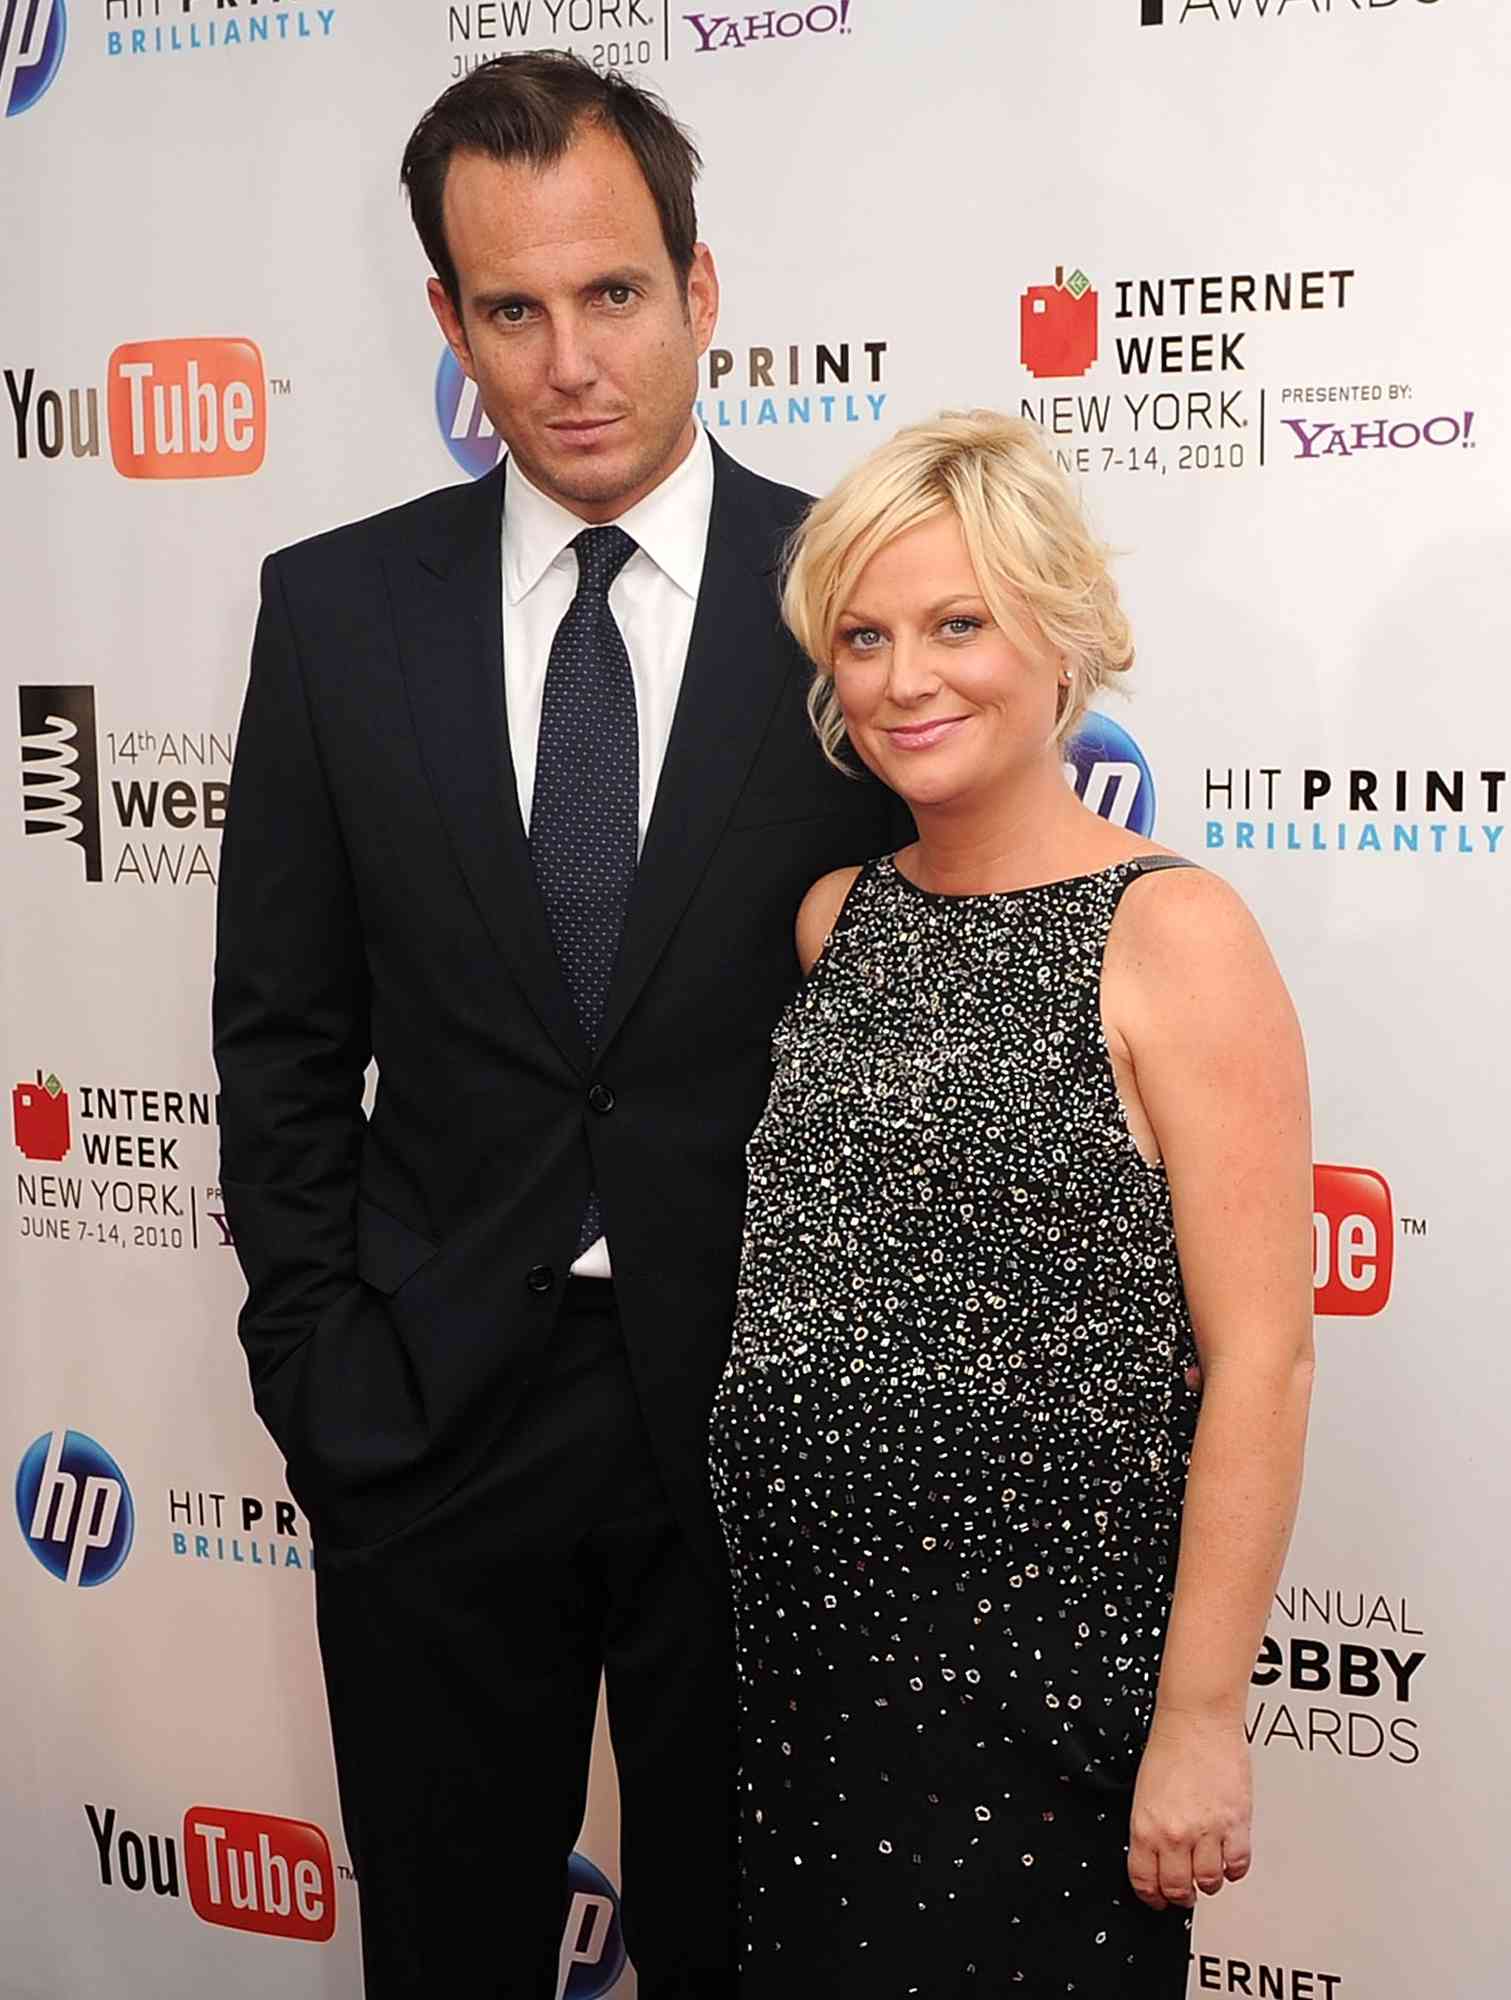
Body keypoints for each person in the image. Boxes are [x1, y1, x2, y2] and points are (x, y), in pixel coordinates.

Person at [212, 53, 904, 2000]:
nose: (570, 359)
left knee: (760, 1960)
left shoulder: (850, 607)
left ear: (703, 286)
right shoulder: (337, 616)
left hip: (764, 1427)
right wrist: (316, 1372)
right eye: (511, 308)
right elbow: (281, 1032)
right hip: (432, 1417)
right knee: (444, 1959)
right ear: (447, 319)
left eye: (613, 294)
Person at [709, 411, 1315, 1996]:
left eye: (958, 623)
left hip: (1049, 1704)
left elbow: (1263, 1359)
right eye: (865, 636)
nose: (907, 678)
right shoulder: (837, 918)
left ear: (1061, 637)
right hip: (799, 1683)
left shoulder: (1175, 934)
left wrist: (1196, 1721)